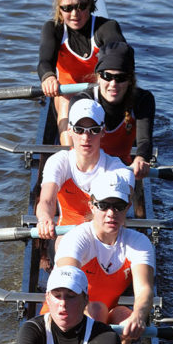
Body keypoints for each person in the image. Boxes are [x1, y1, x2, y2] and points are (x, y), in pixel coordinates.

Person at [55, 172, 155, 344]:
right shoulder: (76, 239)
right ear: (91, 206)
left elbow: (144, 290)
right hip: (66, 314)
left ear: (128, 207)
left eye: (118, 206)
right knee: (96, 309)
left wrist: (139, 315)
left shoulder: (139, 242)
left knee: (125, 317)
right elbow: (65, 287)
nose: (111, 213)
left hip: (106, 318)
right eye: (104, 205)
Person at [37, 0, 126, 143]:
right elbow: (44, 61)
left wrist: (110, 78)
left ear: (90, 4)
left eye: (81, 6)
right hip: (68, 92)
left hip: (100, 91)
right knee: (65, 101)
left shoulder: (107, 27)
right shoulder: (53, 29)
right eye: (67, 8)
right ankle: (68, 154)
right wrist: (48, 77)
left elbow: (121, 55)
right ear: (59, 9)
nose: (74, 14)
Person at [36, 98, 134, 243]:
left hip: (106, 238)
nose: (86, 137)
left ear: (103, 132)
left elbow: (125, 206)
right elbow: (47, 201)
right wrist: (44, 219)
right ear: (69, 130)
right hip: (68, 236)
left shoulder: (118, 170)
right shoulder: (59, 162)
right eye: (79, 129)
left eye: (94, 130)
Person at [81, 41, 155, 179]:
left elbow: (144, 140)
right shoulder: (83, 101)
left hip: (123, 168)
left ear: (130, 80)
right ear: (98, 77)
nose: (113, 84)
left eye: (121, 78)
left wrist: (142, 157)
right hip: (88, 168)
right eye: (107, 76)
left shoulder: (143, 100)